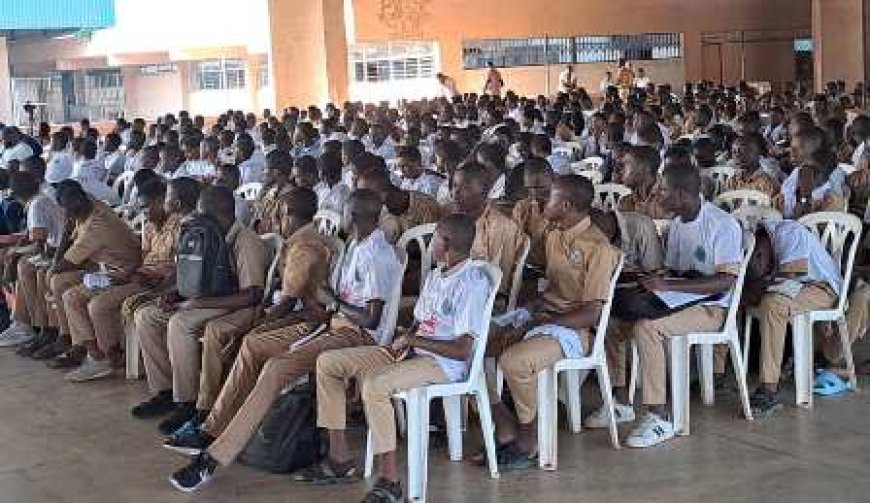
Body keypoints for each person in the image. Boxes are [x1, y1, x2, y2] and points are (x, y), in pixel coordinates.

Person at [165, 189, 402, 493]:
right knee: (254, 344)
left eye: (342, 211)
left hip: (355, 336)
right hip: (332, 324)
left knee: (277, 368)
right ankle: (212, 427)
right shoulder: (358, 243)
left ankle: (213, 458)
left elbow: (370, 319)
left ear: (353, 216)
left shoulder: (377, 254)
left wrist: (332, 300)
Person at [309, 214, 493, 501]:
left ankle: (390, 480)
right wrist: (404, 338)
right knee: (328, 363)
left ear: (446, 243)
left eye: (436, 238)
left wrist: (413, 340)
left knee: (374, 384)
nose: (431, 243)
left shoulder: (471, 283)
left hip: (443, 365)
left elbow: (462, 350)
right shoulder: (436, 275)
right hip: (414, 353)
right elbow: (419, 322)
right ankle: (338, 458)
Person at [485, 175, 620, 468]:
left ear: (567, 205)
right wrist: (527, 310)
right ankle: (503, 420)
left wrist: (542, 321)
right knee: (477, 347)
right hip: (547, 315)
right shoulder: (555, 233)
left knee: (514, 362)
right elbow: (549, 282)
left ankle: (529, 438)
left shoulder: (598, 247)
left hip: (575, 329)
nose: (542, 202)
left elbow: (591, 313)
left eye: (550, 198)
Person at [625, 162, 743, 448]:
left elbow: (725, 281)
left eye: (663, 191)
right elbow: (675, 271)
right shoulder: (678, 223)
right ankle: (619, 401)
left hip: (715, 309)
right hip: (684, 299)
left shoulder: (721, 224)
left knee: (646, 328)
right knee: (622, 310)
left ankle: (660, 416)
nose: (657, 195)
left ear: (681, 194)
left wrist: (669, 286)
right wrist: (648, 278)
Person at [133, 185, 267, 435]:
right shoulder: (205, 233)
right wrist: (174, 294)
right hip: (205, 301)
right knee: (147, 316)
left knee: (180, 323)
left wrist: (196, 304)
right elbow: (191, 277)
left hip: (235, 306)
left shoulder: (244, 241)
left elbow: (252, 295)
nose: (197, 216)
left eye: (202, 212)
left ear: (219, 213)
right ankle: (165, 391)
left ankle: (189, 402)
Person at [741, 219, 842, 415]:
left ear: (761, 252)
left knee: (773, 305)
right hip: (799, 287)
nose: (759, 271)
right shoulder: (758, 242)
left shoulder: (789, 233)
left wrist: (756, 288)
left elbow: (789, 278)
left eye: (758, 264)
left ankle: (768, 388)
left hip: (821, 287)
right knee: (759, 300)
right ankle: (720, 372)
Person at [42, 180, 142, 371]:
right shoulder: (91, 206)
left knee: (67, 292)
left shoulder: (96, 225)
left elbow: (59, 265)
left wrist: (65, 228)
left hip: (123, 273)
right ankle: (74, 341)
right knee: (59, 282)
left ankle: (95, 353)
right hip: (104, 268)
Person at [0, 171, 64, 348]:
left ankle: (36, 325)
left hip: (57, 253)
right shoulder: (41, 198)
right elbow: (30, 235)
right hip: (55, 250)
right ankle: (20, 320)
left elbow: (38, 246)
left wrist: (13, 253)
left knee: (23, 266)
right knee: (15, 260)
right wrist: (15, 250)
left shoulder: (37, 205)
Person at [355, 165, 442, 244]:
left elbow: (431, 249)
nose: (362, 201)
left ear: (383, 196)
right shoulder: (381, 212)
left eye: (365, 196)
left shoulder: (425, 207)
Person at [511, 159, 554, 268]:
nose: (534, 193)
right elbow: (516, 246)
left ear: (553, 181)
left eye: (540, 188)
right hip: (528, 266)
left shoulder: (563, 208)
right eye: (529, 188)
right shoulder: (521, 207)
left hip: (555, 269)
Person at [617, 145, 671, 219]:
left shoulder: (670, 200)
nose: (621, 171)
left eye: (627, 164)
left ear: (646, 168)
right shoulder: (626, 202)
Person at [250, 150, 294, 235]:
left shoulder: (290, 199)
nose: (263, 172)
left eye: (265, 168)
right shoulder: (271, 192)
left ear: (275, 172)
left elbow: (280, 233)